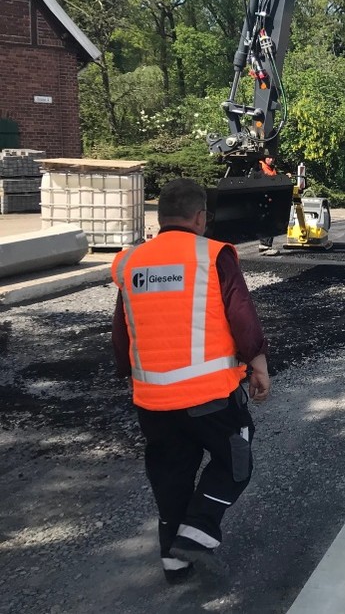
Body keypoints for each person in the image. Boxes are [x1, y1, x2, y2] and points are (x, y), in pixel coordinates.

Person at [110, 178, 272, 584]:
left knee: (171, 474)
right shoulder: (213, 255)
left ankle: (174, 561)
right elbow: (242, 316)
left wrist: (131, 379)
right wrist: (259, 365)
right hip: (210, 398)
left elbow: (121, 332)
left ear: (160, 217)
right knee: (235, 462)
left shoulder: (131, 262)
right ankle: (198, 532)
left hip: (152, 403)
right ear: (201, 217)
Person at [256, 155, 279, 256]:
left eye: (272, 158)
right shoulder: (260, 168)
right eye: (269, 158)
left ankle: (266, 245)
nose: (271, 159)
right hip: (264, 199)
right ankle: (265, 246)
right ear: (264, 158)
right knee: (266, 221)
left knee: (271, 221)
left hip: (271, 198)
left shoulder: (272, 169)